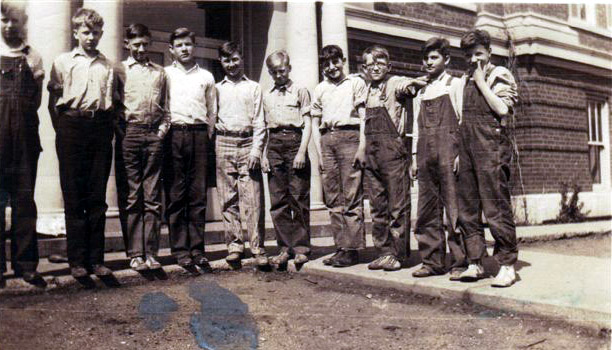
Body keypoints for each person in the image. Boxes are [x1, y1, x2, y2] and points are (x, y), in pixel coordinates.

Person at [48, 8, 117, 279]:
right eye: (86, 32)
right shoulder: (63, 62)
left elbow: (112, 102)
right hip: (71, 127)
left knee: (97, 196)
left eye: (96, 32)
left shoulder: (107, 65)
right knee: (74, 194)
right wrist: (65, 129)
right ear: (76, 32)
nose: (91, 37)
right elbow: (54, 102)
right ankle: (77, 261)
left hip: (99, 127)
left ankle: (96, 260)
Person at [455, 29, 519, 287]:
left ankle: (507, 265)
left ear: (489, 53)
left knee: (495, 207)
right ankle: (475, 262)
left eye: (478, 54)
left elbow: (503, 108)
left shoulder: (499, 74)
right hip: (467, 148)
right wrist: (460, 153)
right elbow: (461, 118)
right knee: (468, 208)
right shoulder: (463, 80)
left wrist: (482, 81)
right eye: (469, 56)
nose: (474, 60)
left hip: (490, 147)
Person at [360, 46, 424, 272]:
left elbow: (407, 86)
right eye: (370, 64)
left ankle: (398, 253)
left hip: (393, 152)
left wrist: (413, 84)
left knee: (398, 205)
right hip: (372, 154)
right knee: (377, 206)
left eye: (380, 63)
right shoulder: (367, 90)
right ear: (365, 69)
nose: (375, 67)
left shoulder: (394, 82)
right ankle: (383, 251)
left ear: (388, 66)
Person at [410, 37, 467, 279]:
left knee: (454, 208)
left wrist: (460, 154)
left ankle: (460, 262)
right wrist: (414, 157)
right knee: (426, 209)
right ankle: (432, 261)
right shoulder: (421, 90)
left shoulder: (455, 84)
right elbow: (415, 126)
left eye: (434, 57)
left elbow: (463, 121)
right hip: (425, 153)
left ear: (446, 60)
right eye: (426, 58)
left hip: (449, 151)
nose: (428, 62)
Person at [116, 23, 170, 271]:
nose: (140, 49)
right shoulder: (120, 70)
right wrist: (123, 132)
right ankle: (135, 254)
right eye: (135, 44)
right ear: (127, 44)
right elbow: (115, 106)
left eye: (144, 44)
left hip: (153, 135)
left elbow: (166, 108)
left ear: (150, 44)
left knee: (152, 196)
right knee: (132, 195)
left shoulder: (160, 72)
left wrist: (160, 132)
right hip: (130, 133)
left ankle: (151, 253)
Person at [0, 1, 46, 287]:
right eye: (3, 21)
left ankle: (26, 265)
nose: (8, 26)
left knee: (24, 201)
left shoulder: (34, 57)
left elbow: (37, 99)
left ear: (22, 22)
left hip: (25, 138)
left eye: (13, 21)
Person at [163, 28, 216, 270]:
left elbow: (212, 110)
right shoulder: (165, 75)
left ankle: (197, 249)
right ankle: (180, 250)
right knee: (176, 193)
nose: (184, 49)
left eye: (188, 44)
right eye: (179, 45)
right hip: (174, 134)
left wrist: (206, 135)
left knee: (197, 194)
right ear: (171, 49)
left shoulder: (206, 76)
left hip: (199, 134)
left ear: (194, 46)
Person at [311, 45, 367, 268]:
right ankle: (340, 247)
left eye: (335, 62)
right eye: (326, 63)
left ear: (343, 61)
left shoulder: (355, 83)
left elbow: (363, 118)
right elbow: (315, 123)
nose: (331, 67)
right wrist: (319, 153)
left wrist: (362, 146)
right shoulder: (320, 89)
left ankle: (352, 249)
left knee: (351, 194)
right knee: (333, 197)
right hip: (327, 140)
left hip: (350, 137)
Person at [215, 41, 268, 267]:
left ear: (242, 59)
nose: (231, 64)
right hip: (223, 141)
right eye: (227, 60)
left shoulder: (254, 87)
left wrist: (257, 150)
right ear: (221, 62)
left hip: (247, 143)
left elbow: (259, 121)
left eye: (235, 59)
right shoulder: (216, 88)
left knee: (253, 198)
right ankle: (235, 246)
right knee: (228, 198)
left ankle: (257, 247)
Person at [261, 50, 312, 266]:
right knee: (278, 200)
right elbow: (264, 128)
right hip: (274, 145)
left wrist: (302, 151)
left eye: (281, 71)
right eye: (274, 72)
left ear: (289, 69)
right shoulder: (267, 95)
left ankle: (301, 248)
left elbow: (308, 123)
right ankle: (284, 248)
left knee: (298, 197)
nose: (278, 75)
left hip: (294, 141)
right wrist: (264, 155)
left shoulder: (300, 91)